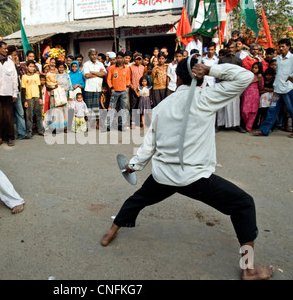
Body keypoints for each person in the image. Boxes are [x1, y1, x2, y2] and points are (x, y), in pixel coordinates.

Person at [100, 58, 274, 280]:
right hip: (194, 178)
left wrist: (132, 166)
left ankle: (110, 233)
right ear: (199, 76)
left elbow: (148, 145)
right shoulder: (206, 97)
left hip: (163, 175)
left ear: (178, 78)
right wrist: (212, 69)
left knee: (138, 199)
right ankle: (248, 269)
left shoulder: (162, 106)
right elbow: (246, 76)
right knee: (244, 204)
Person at [254, 38, 293, 139]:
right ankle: (264, 130)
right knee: (272, 109)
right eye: (279, 46)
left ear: (288, 47)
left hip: (288, 88)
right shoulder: (278, 59)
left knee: (292, 110)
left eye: (283, 46)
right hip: (277, 88)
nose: (281, 48)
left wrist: (292, 75)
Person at [0, 41, 19, 147]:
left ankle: (10, 137)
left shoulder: (10, 62)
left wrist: (15, 93)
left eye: (7, 49)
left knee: (9, 116)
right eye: (4, 48)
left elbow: (14, 78)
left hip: (8, 93)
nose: (6, 50)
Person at [216, 41, 246, 133]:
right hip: (224, 84)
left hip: (235, 85)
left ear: (235, 48)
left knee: (235, 105)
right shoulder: (222, 60)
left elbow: (241, 74)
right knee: (222, 105)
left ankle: (236, 125)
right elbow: (218, 73)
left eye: (232, 48)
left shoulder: (238, 60)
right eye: (229, 48)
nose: (230, 49)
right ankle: (220, 124)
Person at [8, 45, 29, 140]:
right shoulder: (7, 62)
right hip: (8, 91)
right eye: (15, 52)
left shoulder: (14, 62)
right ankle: (10, 135)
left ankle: (22, 133)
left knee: (20, 112)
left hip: (16, 90)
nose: (16, 54)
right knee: (9, 114)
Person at [106, 52, 130, 131]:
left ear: (123, 58)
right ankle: (108, 125)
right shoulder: (112, 68)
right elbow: (109, 79)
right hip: (114, 91)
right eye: (118, 58)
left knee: (123, 109)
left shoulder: (126, 68)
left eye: (121, 58)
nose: (119, 59)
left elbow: (128, 79)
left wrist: (127, 87)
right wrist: (111, 87)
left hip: (124, 91)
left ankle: (121, 125)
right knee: (111, 108)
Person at [83, 49, 106, 128]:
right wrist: (98, 74)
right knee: (89, 107)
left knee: (96, 107)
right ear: (89, 56)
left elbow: (103, 74)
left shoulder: (100, 64)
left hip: (97, 88)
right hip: (89, 88)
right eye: (92, 55)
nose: (94, 56)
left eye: (95, 54)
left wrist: (93, 72)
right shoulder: (86, 64)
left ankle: (96, 124)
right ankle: (89, 124)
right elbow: (87, 75)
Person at [22, 60, 44, 137]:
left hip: (37, 96)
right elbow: (23, 90)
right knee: (29, 115)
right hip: (28, 98)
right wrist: (24, 101)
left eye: (33, 66)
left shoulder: (36, 76)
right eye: (30, 66)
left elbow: (39, 87)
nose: (32, 68)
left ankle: (41, 130)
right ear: (26, 67)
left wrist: (41, 98)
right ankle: (29, 131)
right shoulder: (24, 77)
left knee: (39, 114)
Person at [241, 62, 263, 132]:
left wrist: (259, 79)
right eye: (253, 68)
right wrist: (254, 81)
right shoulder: (249, 75)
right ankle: (245, 123)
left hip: (255, 94)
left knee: (253, 111)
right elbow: (245, 84)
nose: (254, 69)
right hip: (247, 93)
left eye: (256, 68)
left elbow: (261, 87)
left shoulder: (260, 77)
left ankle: (249, 127)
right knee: (244, 111)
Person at [129, 53, 144, 128]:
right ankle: (133, 122)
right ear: (134, 59)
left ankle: (141, 121)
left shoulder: (143, 67)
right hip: (134, 88)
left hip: (141, 89)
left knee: (141, 105)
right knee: (133, 106)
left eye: (140, 59)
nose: (138, 61)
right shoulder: (131, 67)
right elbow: (129, 79)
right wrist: (133, 88)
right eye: (137, 59)